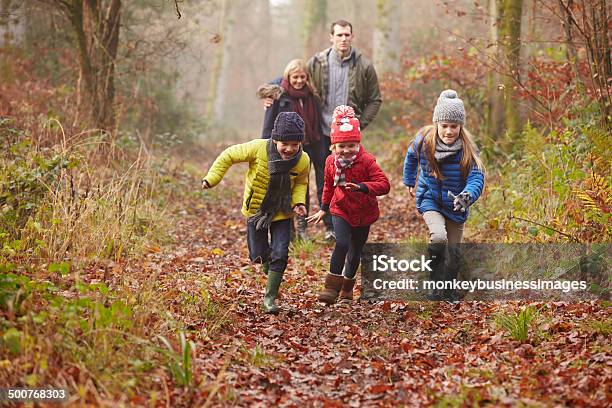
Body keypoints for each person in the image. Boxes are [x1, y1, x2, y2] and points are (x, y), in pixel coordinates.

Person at [262, 19, 383, 241]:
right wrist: (271, 92)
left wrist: (357, 125)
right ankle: (303, 226)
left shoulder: (364, 66)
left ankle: (333, 226)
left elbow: (375, 99)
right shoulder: (317, 62)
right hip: (318, 133)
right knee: (307, 178)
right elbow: (292, 75)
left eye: (347, 35)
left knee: (337, 180)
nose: (343, 39)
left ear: (352, 36)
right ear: (332, 37)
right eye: (339, 35)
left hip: (345, 138)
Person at [202, 112, 310, 314]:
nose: (289, 149)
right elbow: (229, 155)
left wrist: (298, 203)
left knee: (281, 253)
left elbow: (301, 183)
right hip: (257, 211)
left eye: (295, 144)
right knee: (258, 255)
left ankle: (269, 298)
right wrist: (212, 178)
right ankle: (272, 274)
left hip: (283, 213)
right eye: (285, 143)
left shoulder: (303, 160)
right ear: (275, 139)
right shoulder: (258, 148)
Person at [402, 90, 485, 301]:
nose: (449, 131)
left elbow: (477, 177)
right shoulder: (424, 141)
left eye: (454, 126)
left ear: (460, 126)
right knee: (438, 237)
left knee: (454, 252)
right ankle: (434, 284)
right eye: (444, 125)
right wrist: (410, 180)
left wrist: (467, 196)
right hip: (429, 198)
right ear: (437, 123)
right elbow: (410, 157)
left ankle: (448, 289)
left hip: (456, 205)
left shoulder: (467, 149)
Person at [307, 105, 390, 304]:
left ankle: (347, 290)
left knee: (355, 253)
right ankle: (331, 288)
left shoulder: (367, 161)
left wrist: (363, 186)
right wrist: (323, 208)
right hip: (340, 208)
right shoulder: (330, 162)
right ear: (333, 147)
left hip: (364, 212)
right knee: (342, 243)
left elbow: (384, 184)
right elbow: (328, 185)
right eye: (341, 147)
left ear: (358, 144)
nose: (346, 150)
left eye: (351, 145)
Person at [257, 59, 328, 241]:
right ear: (288, 76)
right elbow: (268, 126)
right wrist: (266, 148)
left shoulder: (312, 94)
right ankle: (290, 230)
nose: (298, 81)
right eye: (295, 77)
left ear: (307, 77)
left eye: (302, 77)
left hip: (314, 143)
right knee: (292, 187)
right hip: (290, 148)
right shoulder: (278, 95)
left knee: (313, 183)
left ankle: (305, 227)